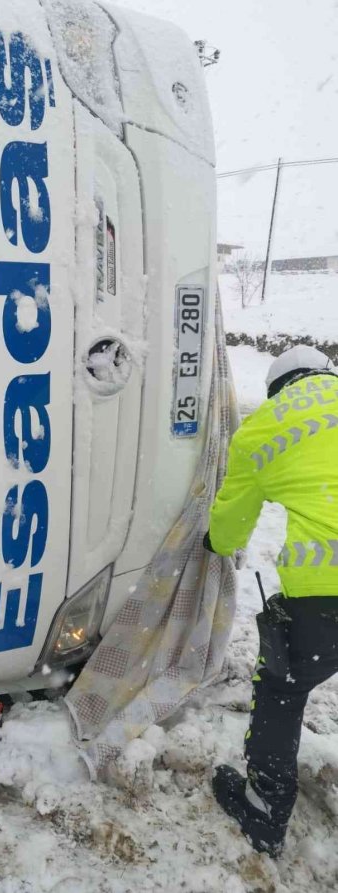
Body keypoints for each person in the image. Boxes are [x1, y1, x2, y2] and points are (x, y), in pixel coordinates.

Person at [204, 345, 338, 858]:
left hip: (324, 598)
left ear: (278, 388)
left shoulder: (263, 430)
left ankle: (264, 810)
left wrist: (216, 544)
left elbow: (231, 524)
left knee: (281, 688)